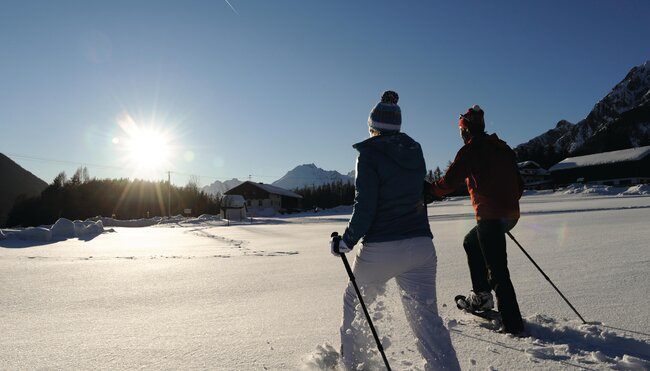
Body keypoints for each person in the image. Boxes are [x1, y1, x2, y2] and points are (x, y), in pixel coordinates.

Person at [330, 91, 460, 370]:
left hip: (383, 247)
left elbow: (365, 206)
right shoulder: (415, 151)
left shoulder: (369, 154)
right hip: (422, 247)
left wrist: (347, 241)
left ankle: (353, 364)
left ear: (373, 127)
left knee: (354, 301)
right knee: (426, 319)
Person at [430, 105, 525, 334]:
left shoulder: (471, 150)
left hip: (491, 218)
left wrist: (428, 191)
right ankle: (481, 295)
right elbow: (520, 185)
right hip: (510, 215)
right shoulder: (502, 148)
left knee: (498, 270)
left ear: (466, 130)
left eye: (461, 131)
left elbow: (449, 182)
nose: (461, 135)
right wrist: (505, 207)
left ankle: (513, 323)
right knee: (471, 242)